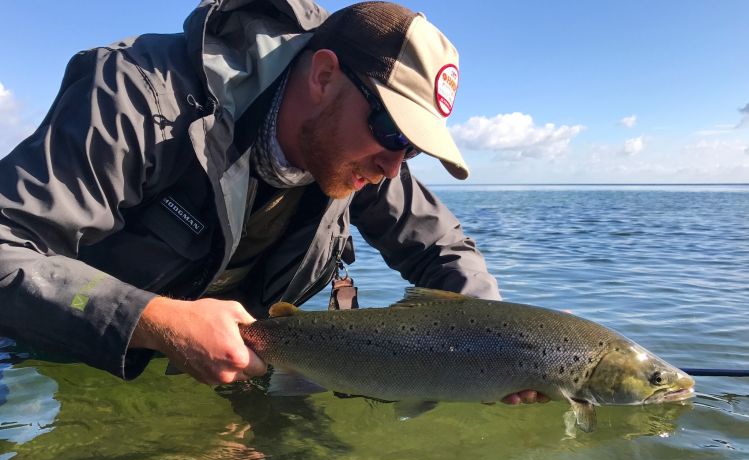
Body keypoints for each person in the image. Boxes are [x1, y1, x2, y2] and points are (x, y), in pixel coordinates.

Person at [0, 0, 544, 404]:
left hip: (247, 364)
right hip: (56, 353)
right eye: (392, 130)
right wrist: (155, 320)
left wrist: (503, 343)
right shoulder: (137, 98)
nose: (393, 164)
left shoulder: (364, 156)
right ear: (324, 75)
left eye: (413, 148)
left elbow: (444, 250)